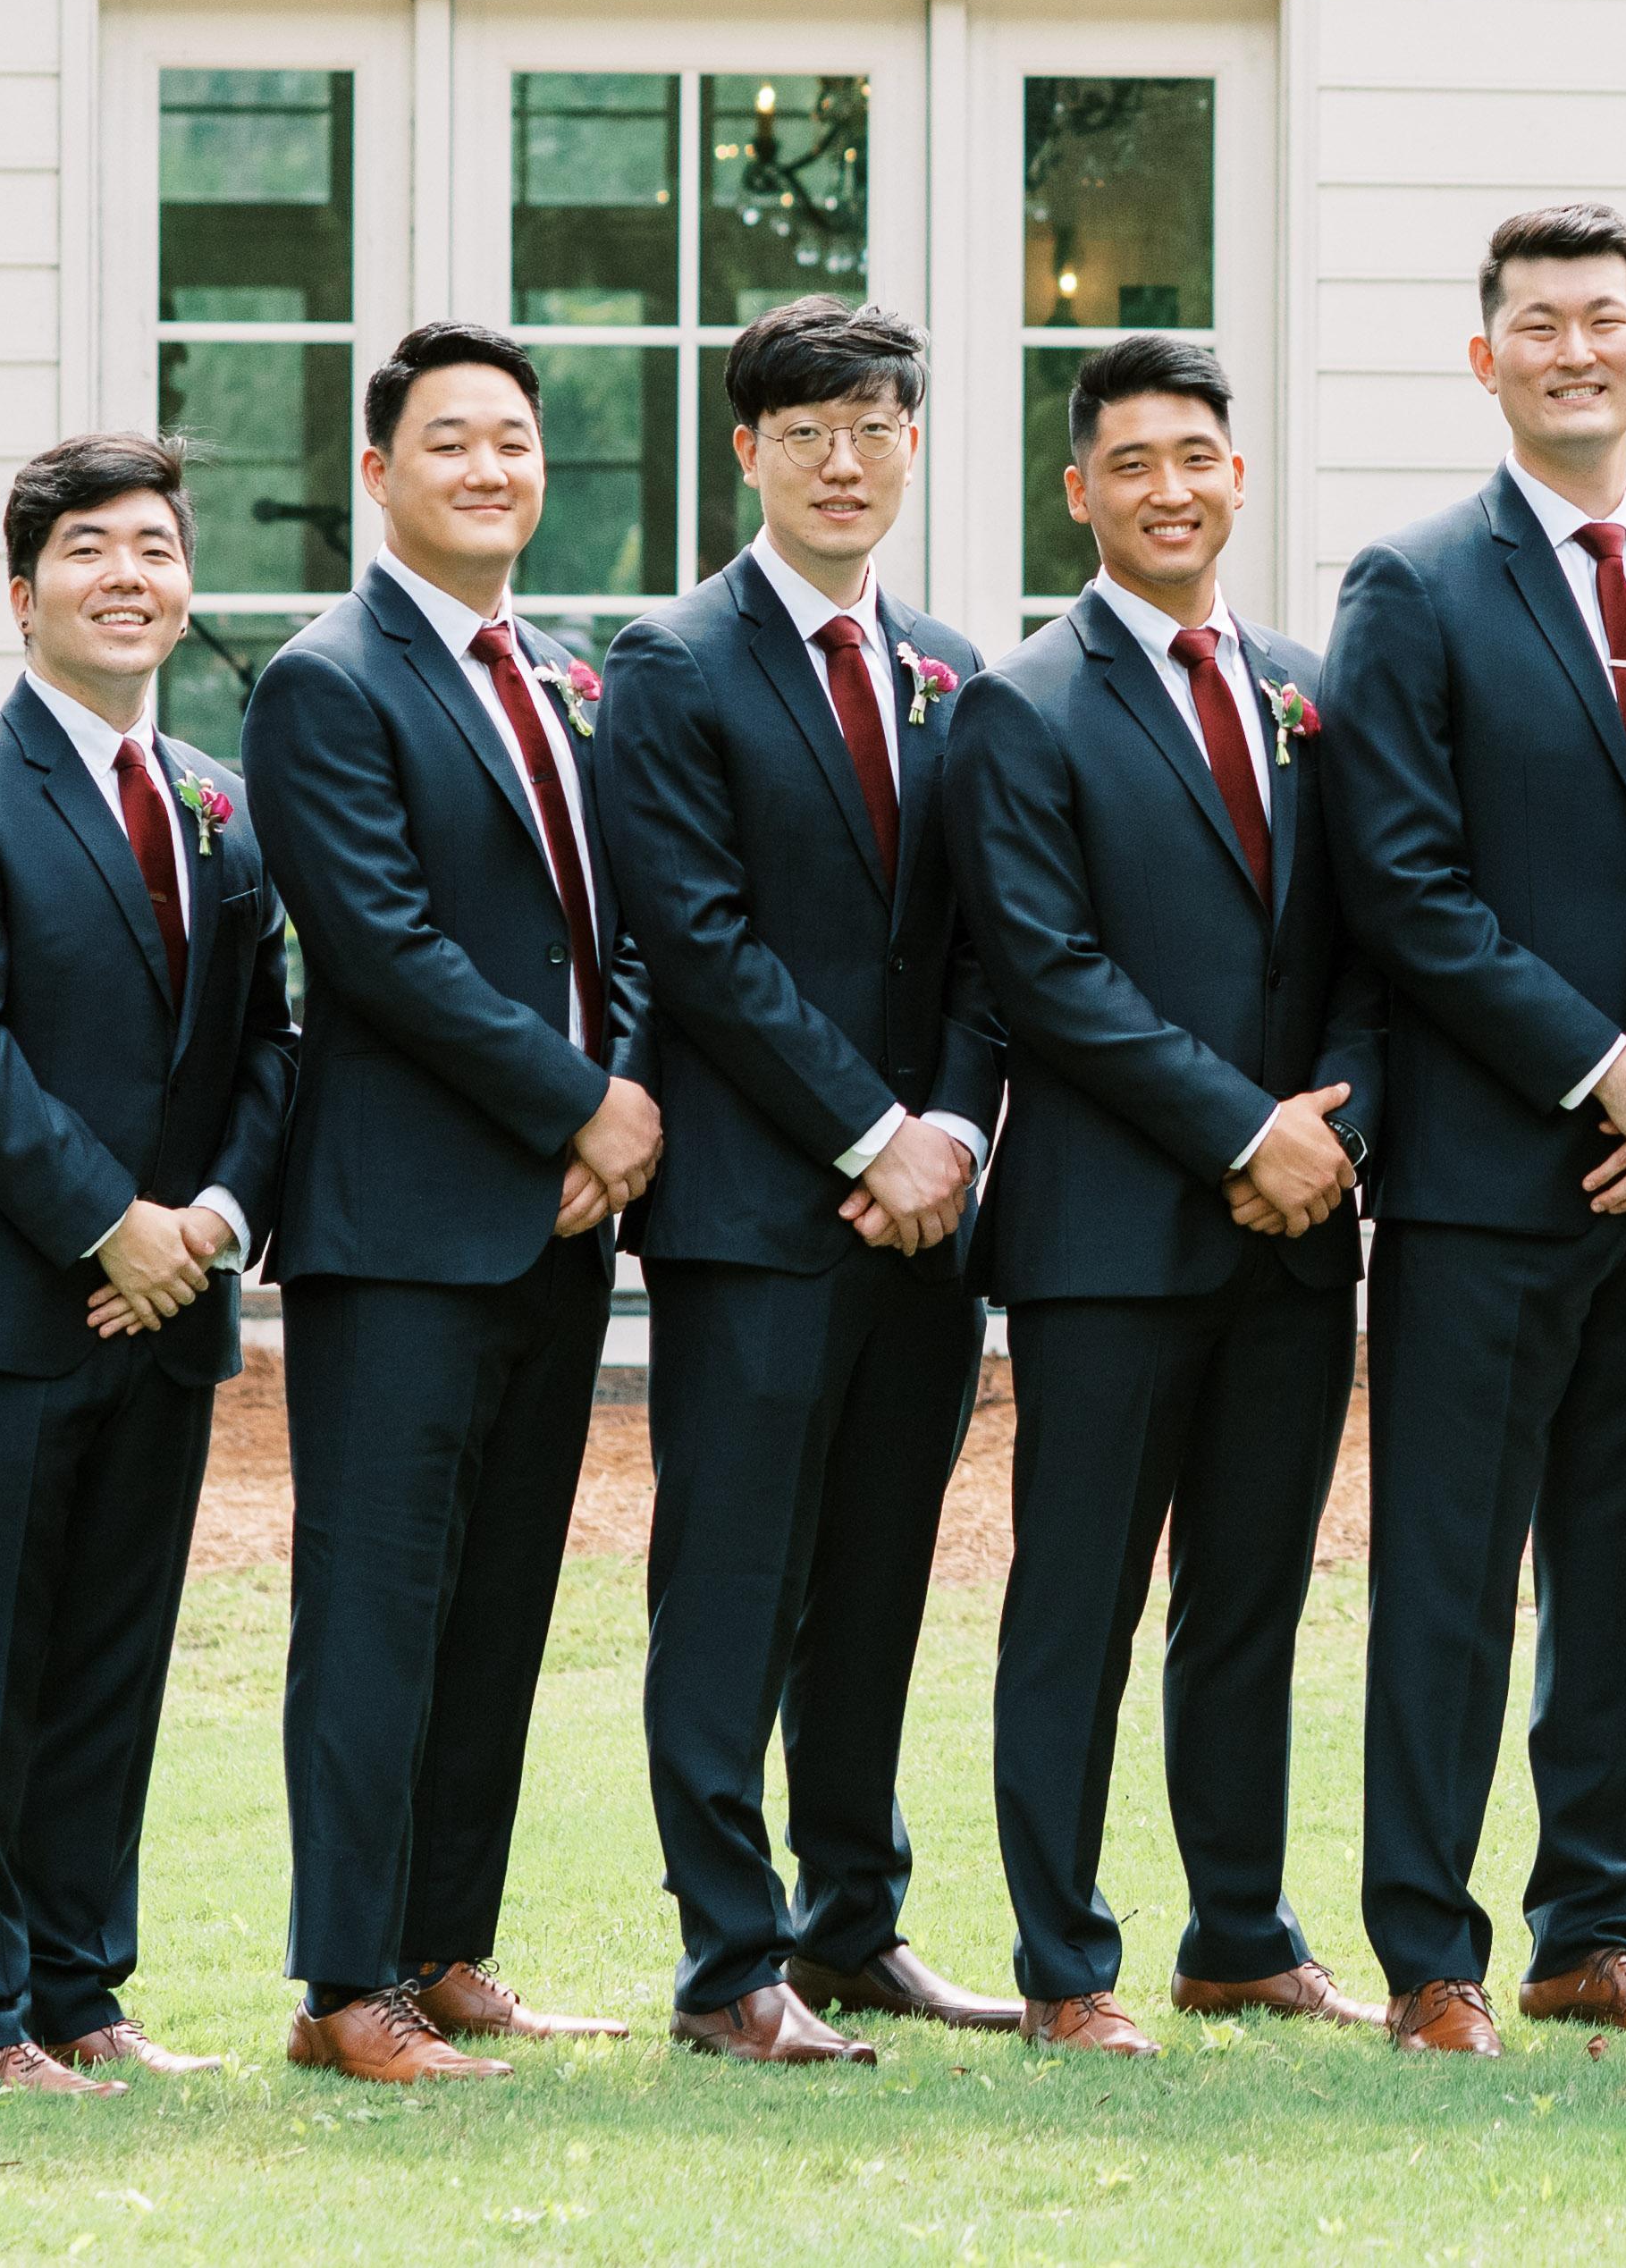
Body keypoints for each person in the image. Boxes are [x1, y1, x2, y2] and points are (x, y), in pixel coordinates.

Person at [1328, 206, 1626, 2056]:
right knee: (1447, 1577)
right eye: (1539, 323)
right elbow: (1401, 882)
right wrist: (1609, 1071)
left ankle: (1591, 1928)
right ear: (1487, 358)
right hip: (1487, 1177)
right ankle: (1428, 1952)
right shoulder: (1414, 583)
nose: (1574, 349)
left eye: (1605, 319)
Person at [954, 331, 1386, 2056]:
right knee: (1080, 1606)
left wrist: (1331, 1136)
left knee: (1250, 1604)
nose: (1169, 489)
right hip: (1110, 1239)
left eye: (1196, 456)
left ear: (1238, 477)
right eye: (1131, 463)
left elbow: (1366, 944)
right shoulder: (1022, 703)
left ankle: (1241, 1933)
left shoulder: (1306, 691)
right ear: (1080, 492)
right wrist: (1240, 1135)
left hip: (1297, 1238)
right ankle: (1066, 1964)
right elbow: (1049, 975)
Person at [0, 433, 291, 2097]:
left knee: (114, 1663)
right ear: (24, 594)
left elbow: (270, 1047)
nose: (128, 574)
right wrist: (117, 1225)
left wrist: (213, 1226)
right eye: (90, 547)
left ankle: (80, 1992)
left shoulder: (220, 803)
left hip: (170, 1306)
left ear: (185, 586)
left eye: (155, 547)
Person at [595, 299, 1012, 2067]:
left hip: (929, 1223)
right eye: (806, 431)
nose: (844, 461)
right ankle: (728, 1963)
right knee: (731, 1588)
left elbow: (992, 937)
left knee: (876, 1578)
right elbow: (696, 940)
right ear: (747, 451)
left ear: (912, 444)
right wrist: (871, 1134)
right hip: (759, 1213)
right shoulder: (674, 661)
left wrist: (957, 1136)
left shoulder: (953, 666)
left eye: (873, 427)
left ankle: (853, 1927)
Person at [249, 323, 661, 2085]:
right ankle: (347, 1985)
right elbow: (383, 947)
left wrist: (615, 1109)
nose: (488, 468)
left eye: (513, 440)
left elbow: (624, 922)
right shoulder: (326, 680)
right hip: (402, 1226)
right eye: (448, 441)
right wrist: (584, 1100)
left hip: (558, 1221)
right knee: (375, 1607)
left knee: (497, 1603)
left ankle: (445, 1946)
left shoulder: (567, 676)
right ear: (378, 472)